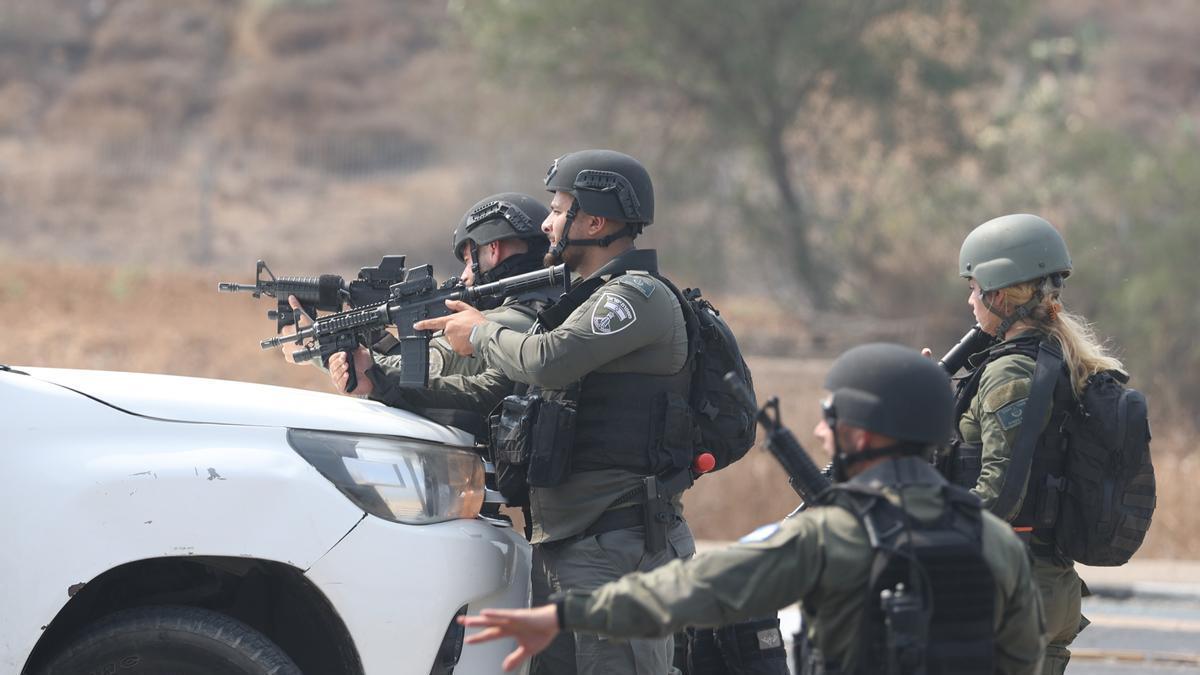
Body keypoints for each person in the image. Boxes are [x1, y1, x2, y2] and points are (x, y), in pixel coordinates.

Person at [458, 343, 1046, 674]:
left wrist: (562, 617)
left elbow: (694, 589)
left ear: (863, 436)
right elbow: (1022, 660)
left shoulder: (830, 535)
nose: (819, 433)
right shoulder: (993, 540)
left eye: (830, 419)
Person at [331, 149, 698, 674]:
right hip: (573, 543)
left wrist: (478, 332)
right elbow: (497, 392)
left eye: (558, 209)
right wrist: (383, 379)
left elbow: (547, 361)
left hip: (621, 546)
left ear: (594, 221)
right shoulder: (581, 301)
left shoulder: (635, 298)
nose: (547, 223)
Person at [938, 213, 1126, 674]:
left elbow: (1000, 493)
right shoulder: (1058, 361)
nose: (969, 300)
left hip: (1008, 591)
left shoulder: (1011, 374)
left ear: (998, 294)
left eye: (973, 287)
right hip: (1038, 584)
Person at [282, 191, 553, 390]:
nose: (463, 276)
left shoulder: (506, 321)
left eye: (470, 261)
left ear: (493, 250)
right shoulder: (541, 307)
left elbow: (424, 371)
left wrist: (317, 348)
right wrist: (370, 336)